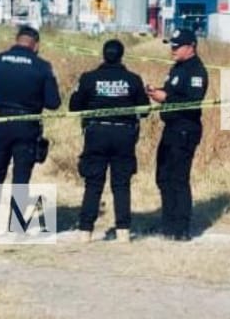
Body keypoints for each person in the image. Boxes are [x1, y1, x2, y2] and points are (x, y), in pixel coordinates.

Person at [0, 25, 61, 236]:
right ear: (36, 45)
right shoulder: (42, 66)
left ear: (17, 40)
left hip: (2, 122)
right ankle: (16, 227)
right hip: (28, 124)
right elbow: (53, 103)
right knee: (21, 176)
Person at [68, 39, 150, 242]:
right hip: (124, 135)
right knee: (121, 184)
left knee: (93, 183)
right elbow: (145, 109)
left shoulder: (89, 78)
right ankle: (123, 231)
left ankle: (85, 231)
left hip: (96, 133)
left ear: (103, 55)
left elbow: (74, 106)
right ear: (122, 56)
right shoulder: (133, 79)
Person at [146, 27, 209, 241]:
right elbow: (170, 93)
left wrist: (166, 99)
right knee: (163, 177)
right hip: (171, 128)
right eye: (171, 45)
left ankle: (181, 228)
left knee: (178, 178)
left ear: (191, 47)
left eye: (177, 45)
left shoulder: (196, 71)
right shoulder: (177, 68)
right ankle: (168, 222)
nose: (172, 49)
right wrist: (157, 94)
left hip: (185, 129)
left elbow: (192, 102)